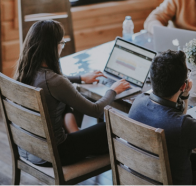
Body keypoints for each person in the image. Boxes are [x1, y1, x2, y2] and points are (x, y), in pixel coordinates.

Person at [15, 20, 130, 167]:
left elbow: (53, 83)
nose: (62, 47)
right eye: (62, 43)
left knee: (64, 104)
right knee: (108, 128)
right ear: (52, 46)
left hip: (28, 148)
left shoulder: (25, 70)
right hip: (55, 153)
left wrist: (81, 78)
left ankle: (75, 133)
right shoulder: (54, 82)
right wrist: (113, 90)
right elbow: (95, 110)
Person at [128, 50, 196, 185]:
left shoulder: (138, 102)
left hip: (143, 177)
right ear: (183, 85)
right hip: (174, 182)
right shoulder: (184, 125)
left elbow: (175, 119)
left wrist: (185, 95)